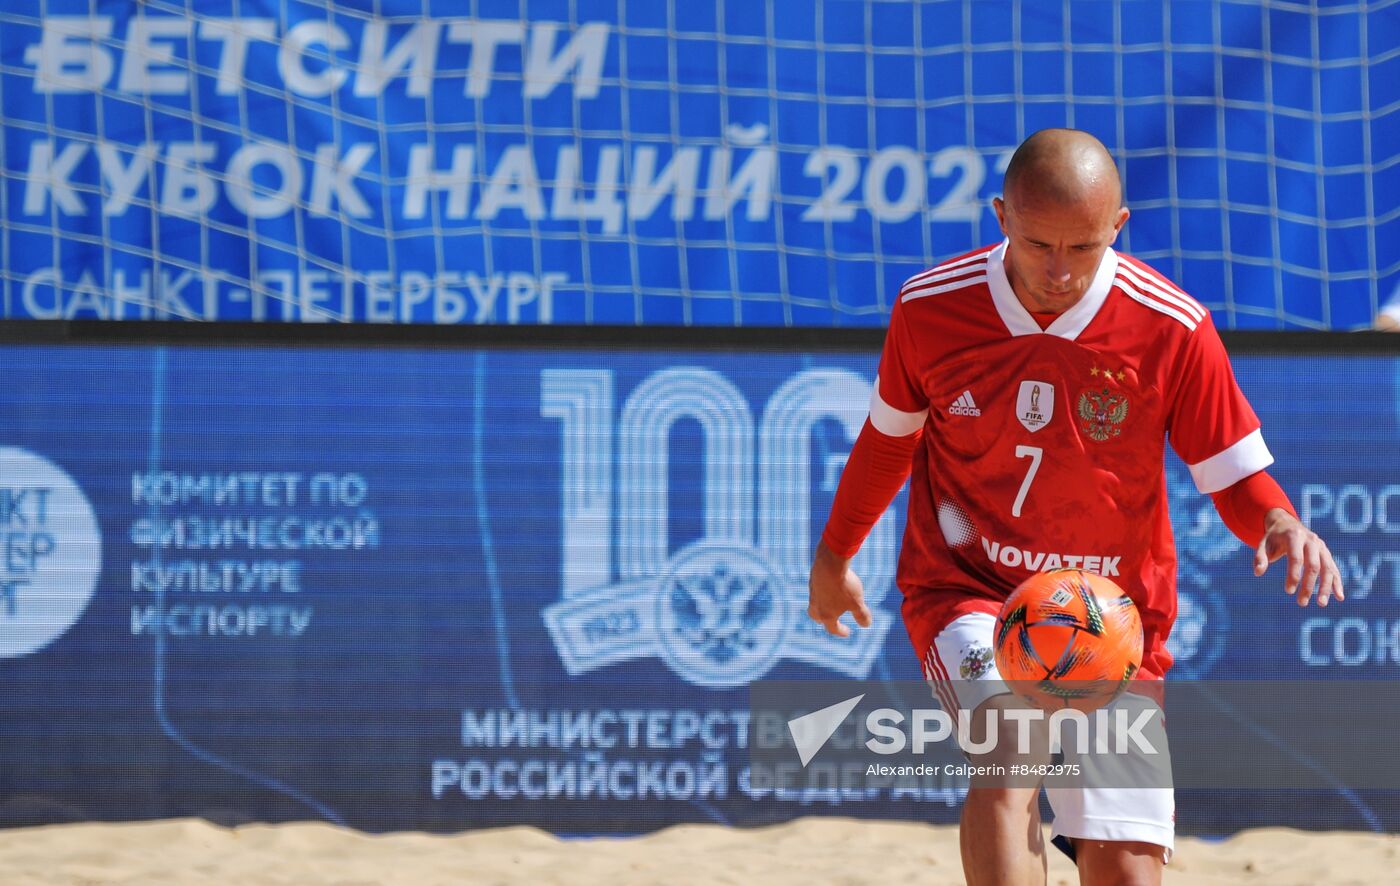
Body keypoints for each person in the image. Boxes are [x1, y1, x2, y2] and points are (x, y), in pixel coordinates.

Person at [807, 128, 1344, 886]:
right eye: (1038, 244)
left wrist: (1279, 519)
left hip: (1110, 619)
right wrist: (834, 556)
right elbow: (888, 444)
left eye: (1083, 248)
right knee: (1010, 742)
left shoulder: (1171, 325)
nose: (1059, 271)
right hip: (972, 590)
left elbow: (1230, 473)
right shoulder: (931, 308)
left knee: (1124, 865)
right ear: (1001, 217)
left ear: (1118, 227)